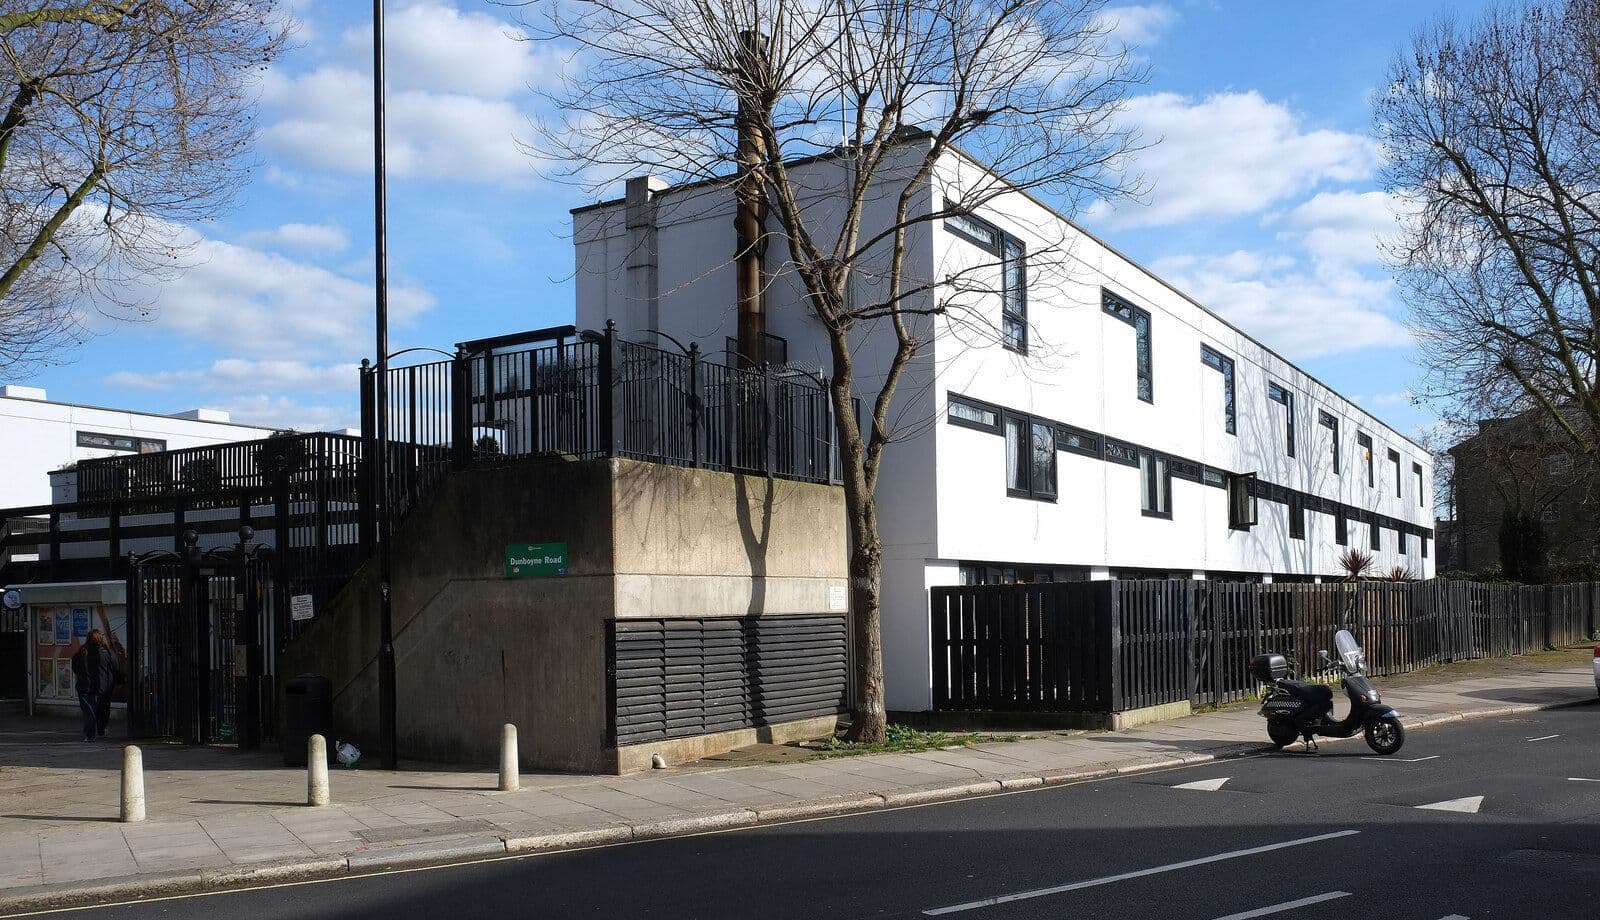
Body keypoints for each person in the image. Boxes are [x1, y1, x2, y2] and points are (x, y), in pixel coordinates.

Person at [70, 630, 122, 741]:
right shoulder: (107, 652)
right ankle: (101, 731)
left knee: (89, 711)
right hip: (104, 687)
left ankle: (90, 735)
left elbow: (75, 667)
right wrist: (117, 682)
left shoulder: (82, 652)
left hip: (85, 687)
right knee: (103, 709)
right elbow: (116, 668)